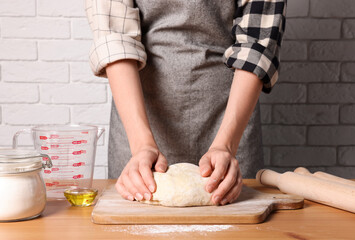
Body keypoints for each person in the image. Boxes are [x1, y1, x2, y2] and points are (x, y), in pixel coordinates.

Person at [85, 0, 286, 205]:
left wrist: (226, 144)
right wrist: (141, 146)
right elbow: (115, 37)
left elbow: (257, 41)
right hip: (140, 120)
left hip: (229, 116)